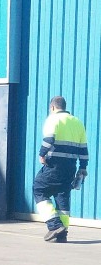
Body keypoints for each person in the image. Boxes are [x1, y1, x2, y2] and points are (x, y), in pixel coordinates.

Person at [33, 96, 89, 243]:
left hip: (54, 164)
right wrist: (83, 167)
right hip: (70, 166)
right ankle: (62, 234)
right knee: (62, 196)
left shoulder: (53, 119)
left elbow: (49, 139)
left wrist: (41, 154)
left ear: (52, 107)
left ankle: (54, 225)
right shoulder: (77, 122)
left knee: (39, 189)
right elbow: (83, 149)